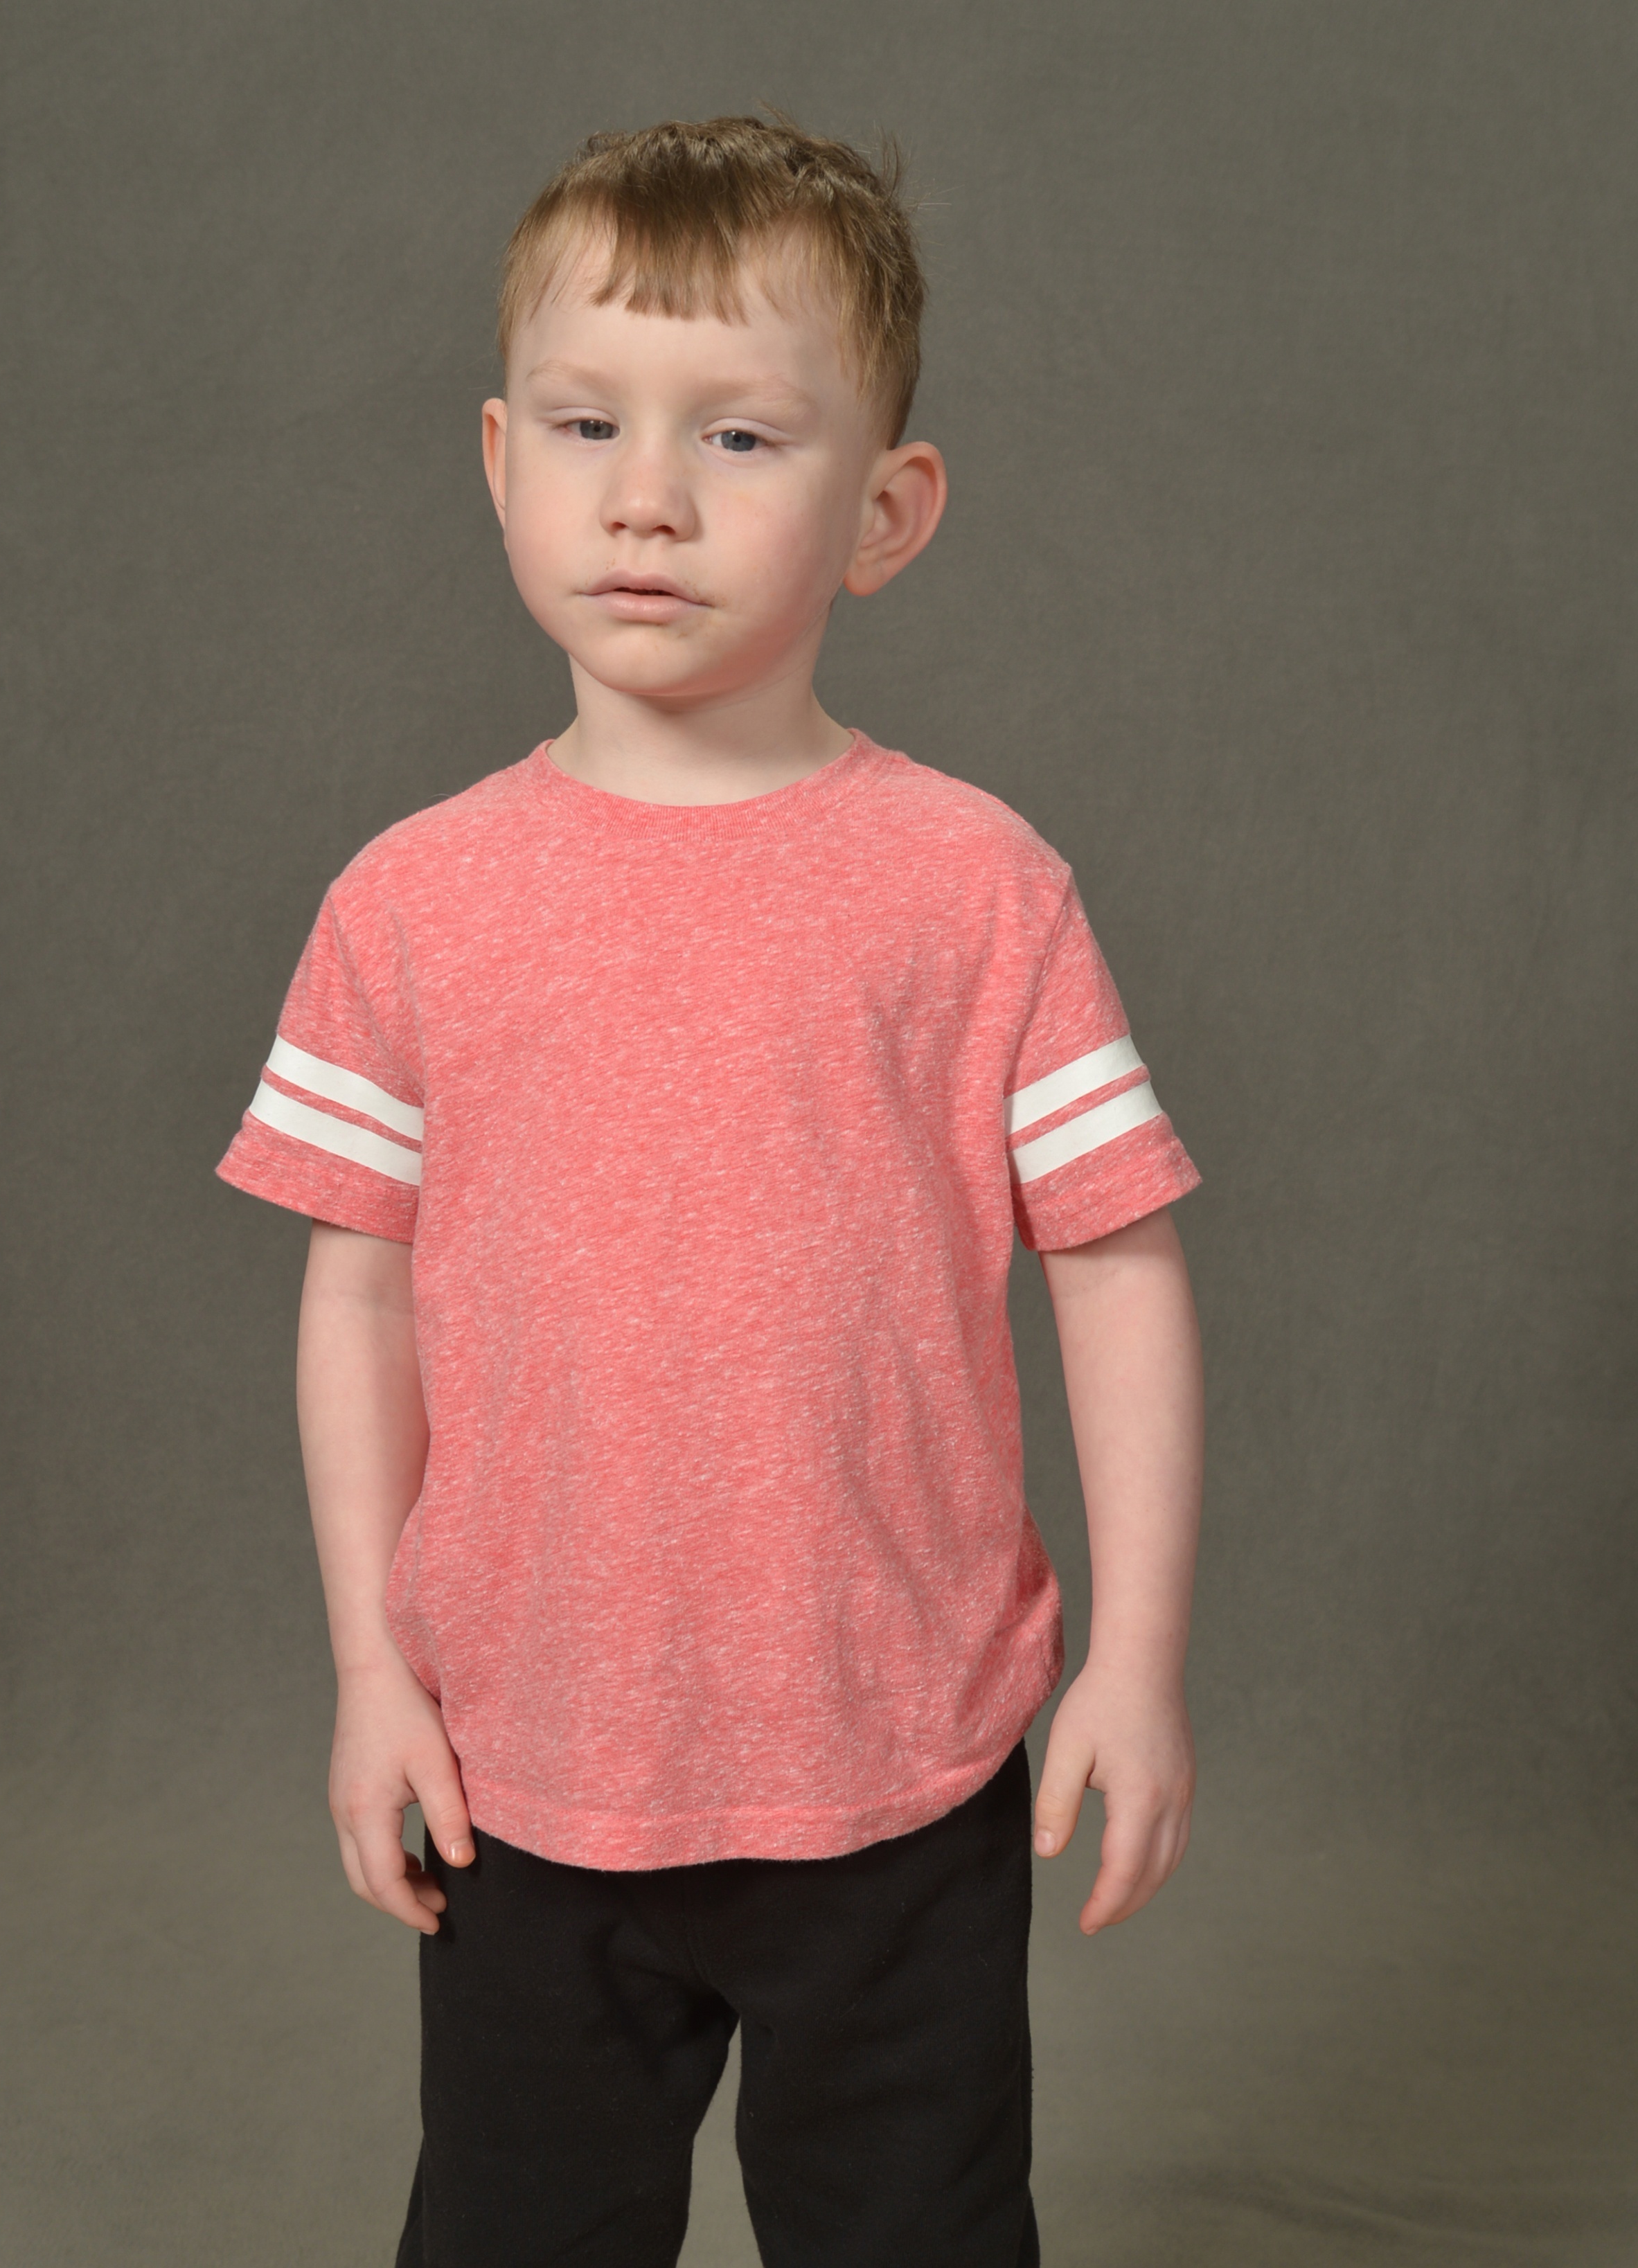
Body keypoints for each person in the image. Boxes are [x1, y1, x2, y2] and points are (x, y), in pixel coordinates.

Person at [217, 111, 1204, 2268]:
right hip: (526, 1769)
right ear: (502, 461)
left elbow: (1115, 1268)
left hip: (899, 1759)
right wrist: (371, 1671)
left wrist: (1135, 1655)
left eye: (739, 437)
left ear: (886, 511)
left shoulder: (976, 889)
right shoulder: (410, 904)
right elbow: (357, 1296)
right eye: (587, 424)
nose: (645, 494)